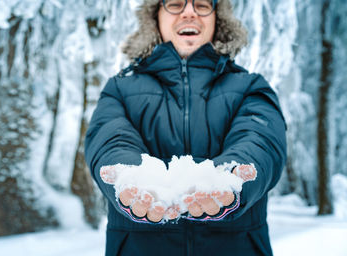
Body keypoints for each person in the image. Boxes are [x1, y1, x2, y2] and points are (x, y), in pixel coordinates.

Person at [85, 0, 287, 255]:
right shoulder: (119, 89)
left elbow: (260, 140)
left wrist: (228, 178)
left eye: (202, 5)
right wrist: (132, 178)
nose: (189, 12)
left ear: (218, 19)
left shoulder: (251, 87)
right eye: (175, 4)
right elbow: (110, 140)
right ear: (155, 16)